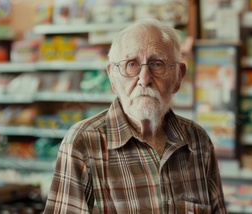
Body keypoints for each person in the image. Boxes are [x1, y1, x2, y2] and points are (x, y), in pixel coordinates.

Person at [44, 19, 227, 213]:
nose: (144, 79)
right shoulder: (83, 143)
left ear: (178, 77)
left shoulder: (198, 141)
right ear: (112, 78)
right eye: (131, 64)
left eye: (158, 64)